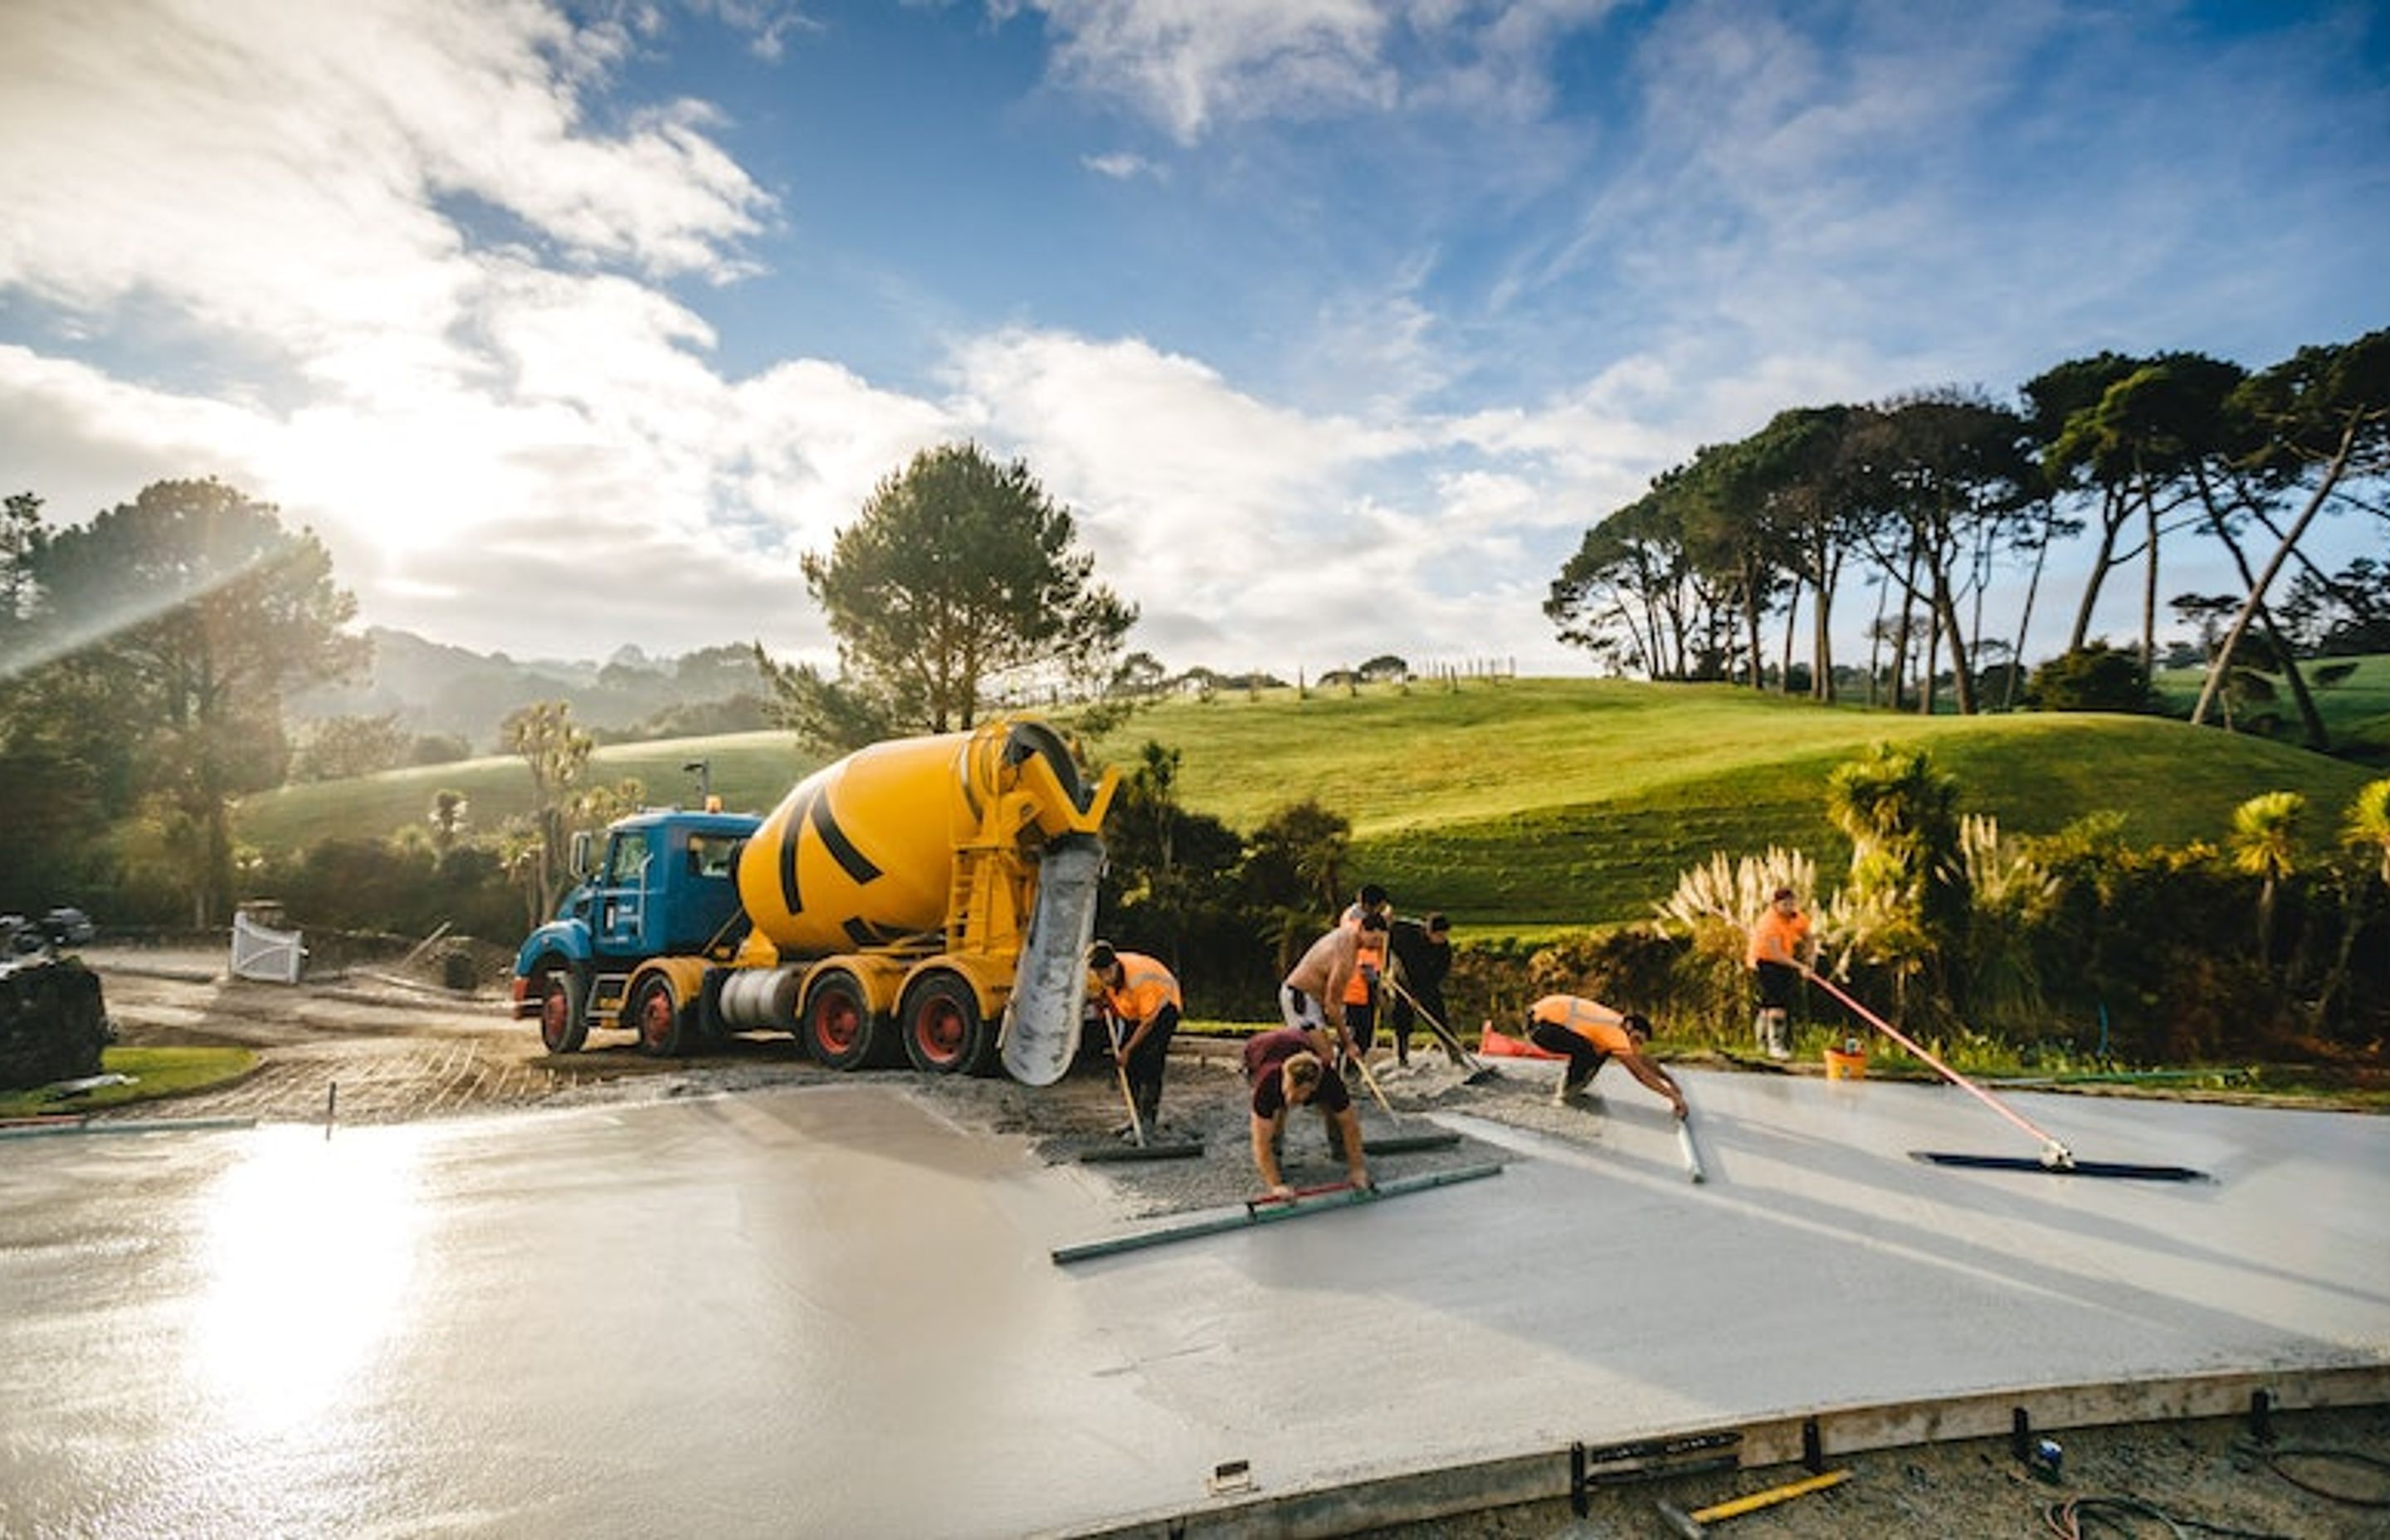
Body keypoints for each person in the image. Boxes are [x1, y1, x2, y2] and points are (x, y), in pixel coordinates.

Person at [1243, 1026, 1371, 1199]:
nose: (1294, 1099)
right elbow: (1259, 1141)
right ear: (1286, 1079)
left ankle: (1339, 1147)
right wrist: (1276, 1185)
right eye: (1290, 1092)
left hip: (1298, 1042)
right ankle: (1277, 1153)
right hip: (1258, 1050)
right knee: (1276, 1114)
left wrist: (1357, 1169)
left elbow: (1350, 1124)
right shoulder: (1268, 1082)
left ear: (1314, 1087)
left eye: (1301, 1095)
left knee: (1332, 1111)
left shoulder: (1328, 1079)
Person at [1524, 994, 1688, 1119]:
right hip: (1541, 1026)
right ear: (1629, 1026)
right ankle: (1566, 1093)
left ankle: (1571, 1087)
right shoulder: (1615, 1032)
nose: (1635, 1045)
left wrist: (1669, 1081)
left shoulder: (1618, 1026)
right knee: (1589, 1052)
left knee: (1599, 1050)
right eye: (1636, 1039)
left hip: (1544, 1020)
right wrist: (1673, 1097)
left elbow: (1642, 1058)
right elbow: (1640, 1073)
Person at [1087, 941, 1181, 1132]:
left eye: (1105, 973)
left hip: (1163, 1008)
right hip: (1134, 1012)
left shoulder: (1139, 979)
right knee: (1129, 1066)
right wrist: (1102, 1001)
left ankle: (1148, 1119)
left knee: (1150, 1060)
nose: (1103, 978)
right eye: (1099, 974)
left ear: (1114, 965)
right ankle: (1135, 1118)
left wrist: (1128, 1050)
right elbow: (1103, 995)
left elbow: (1148, 1023)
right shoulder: (1101, 973)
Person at [1279, 911, 1388, 1065]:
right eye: (1375, 939)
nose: (1377, 945)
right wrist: (1349, 1043)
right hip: (1300, 998)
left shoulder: (1349, 932)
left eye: (1381, 940)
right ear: (1362, 930)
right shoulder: (1346, 957)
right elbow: (1332, 1005)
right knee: (1324, 1057)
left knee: (1321, 1056)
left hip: (1313, 1001)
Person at [1746, 885, 1814, 1061]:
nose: (1790, 908)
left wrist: (1809, 961)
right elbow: (1776, 954)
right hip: (1764, 960)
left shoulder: (1796, 917)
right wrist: (1800, 967)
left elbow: (1809, 937)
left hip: (1785, 960)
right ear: (1776, 905)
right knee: (1777, 1003)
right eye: (1785, 904)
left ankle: (1761, 1044)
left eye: (1792, 904)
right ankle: (1775, 1046)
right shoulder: (1769, 923)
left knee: (1770, 1003)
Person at [1384, 911, 1456, 1067]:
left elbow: (1436, 977)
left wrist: (1419, 996)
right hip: (1400, 980)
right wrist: (1383, 967)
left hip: (1425, 984)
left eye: (1445, 935)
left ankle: (1456, 1057)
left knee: (1439, 1018)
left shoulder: (1444, 951)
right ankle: (1401, 1058)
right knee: (1402, 1021)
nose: (1442, 939)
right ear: (1429, 931)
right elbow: (1387, 931)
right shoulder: (1405, 933)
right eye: (1439, 935)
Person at [1338, 885, 1392, 1058]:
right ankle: (1347, 1074)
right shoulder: (1359, 926)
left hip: (1360, 986)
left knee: (1362, 1037)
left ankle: (1351, 1073)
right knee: (1356, 1036)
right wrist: (1378, 982)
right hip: (1355, 988)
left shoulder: (1355, 916)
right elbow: (1365, 960)